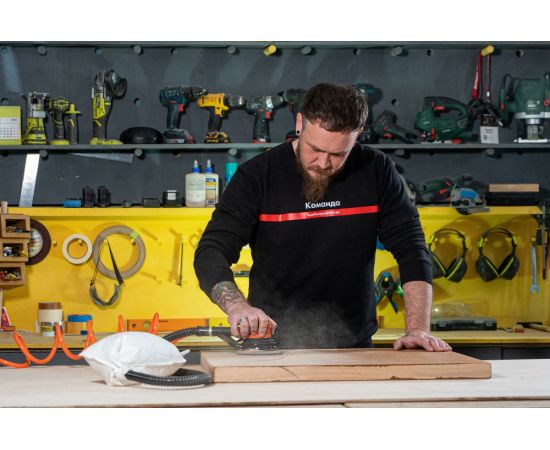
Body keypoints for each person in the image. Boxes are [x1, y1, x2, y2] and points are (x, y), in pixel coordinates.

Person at [194, 82, 451, 352]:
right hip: (270, 346)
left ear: (357, 135)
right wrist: (237, 306)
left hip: (355, 348)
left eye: (338, 154)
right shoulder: (257, 176)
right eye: (314, 149)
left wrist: (418, 329)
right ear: (299, 124)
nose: (323, 163)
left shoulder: (377, 169)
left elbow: (411, 249)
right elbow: (212, 250)